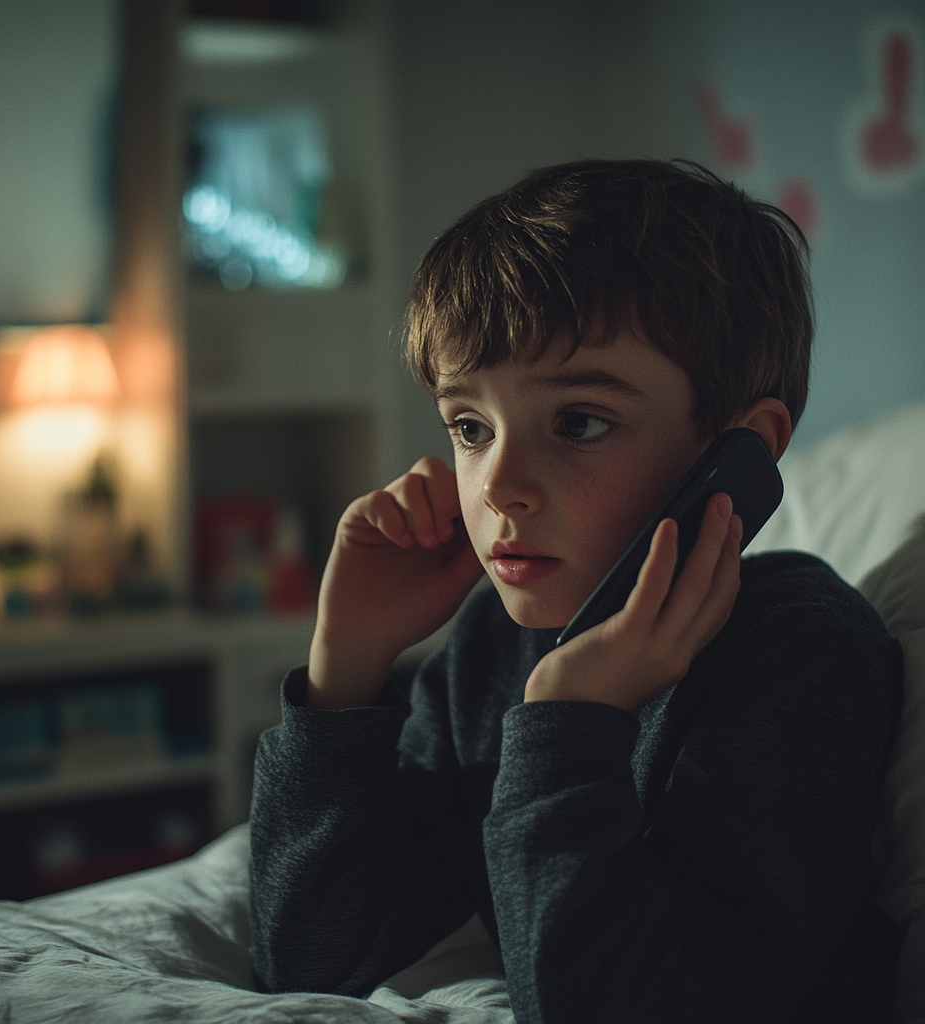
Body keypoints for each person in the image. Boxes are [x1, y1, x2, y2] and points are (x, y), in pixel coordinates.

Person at [248, 160, 902, 1022]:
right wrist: (349, 665)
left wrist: (569, 726)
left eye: (580, 422)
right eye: (470, 428)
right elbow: (311, 953)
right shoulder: (492, 643)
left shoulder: (800, 658)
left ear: (741, 449)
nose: (499, 486)